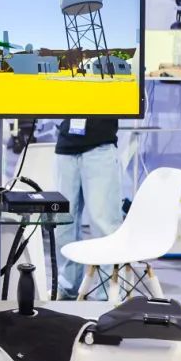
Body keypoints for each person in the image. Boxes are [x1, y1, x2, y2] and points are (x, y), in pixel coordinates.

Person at [54, 117, 122, 299]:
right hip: (66, 146)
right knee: (62, 225)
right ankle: (66, 286)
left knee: (104, 225)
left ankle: (108, 294)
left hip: (100, 146)